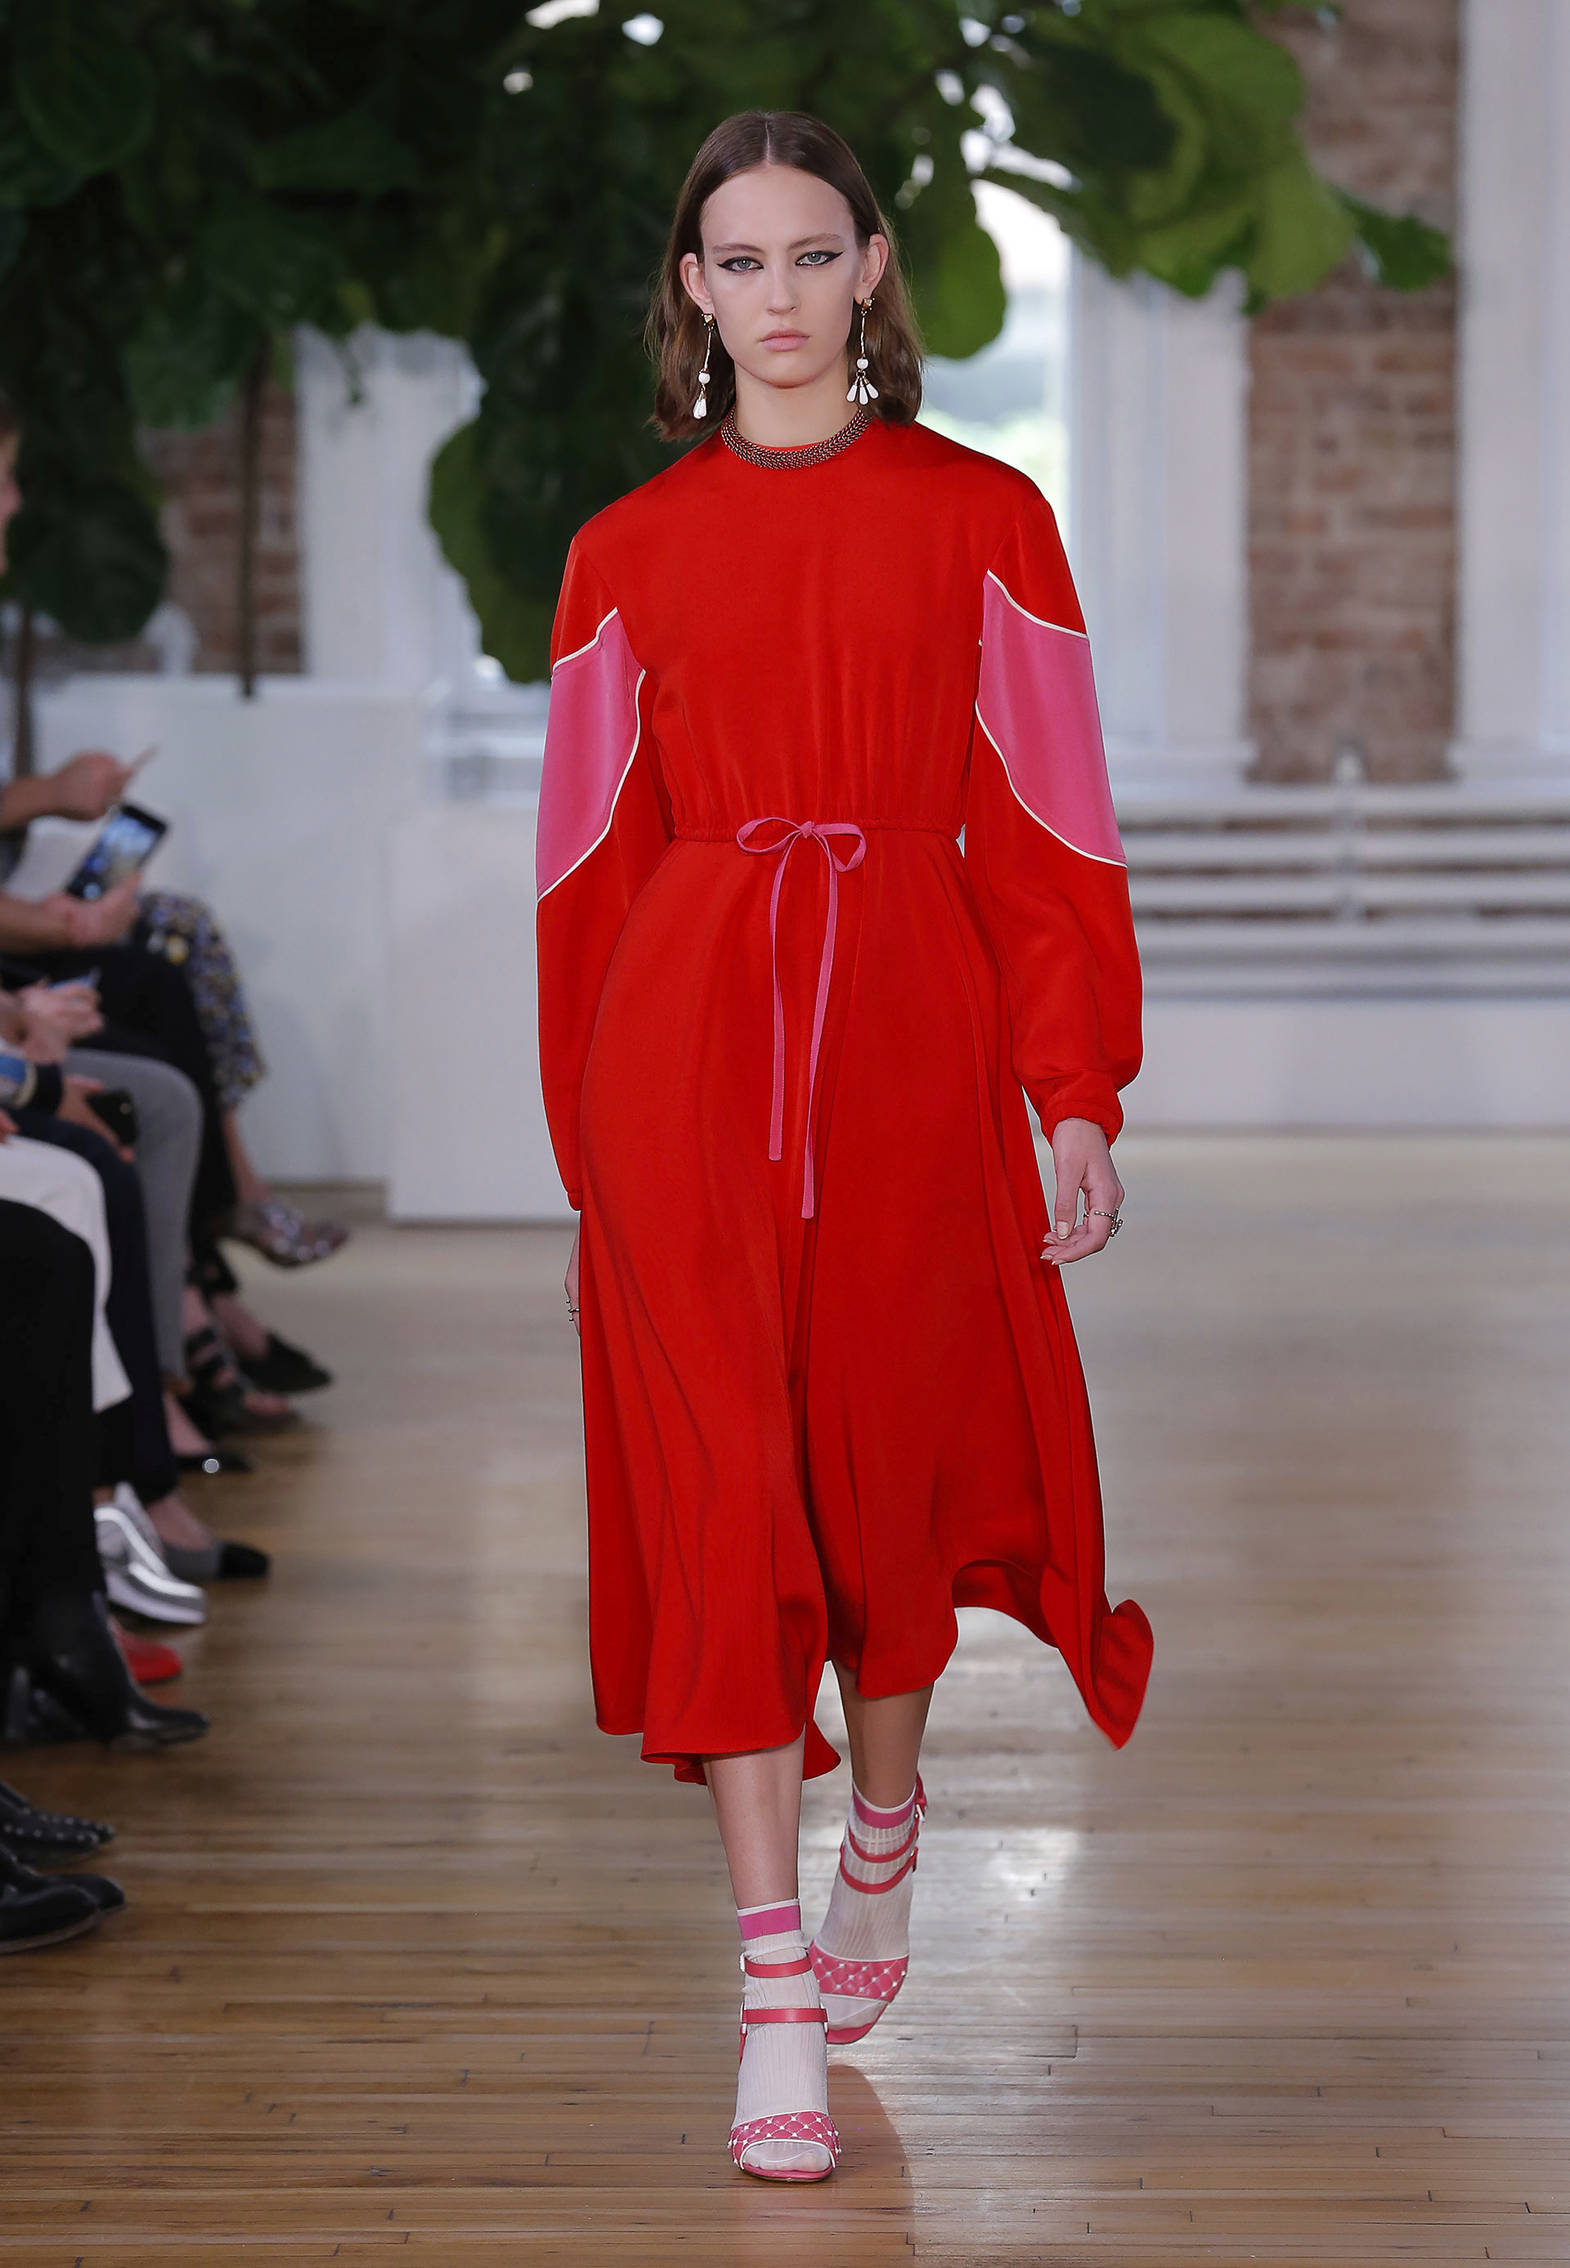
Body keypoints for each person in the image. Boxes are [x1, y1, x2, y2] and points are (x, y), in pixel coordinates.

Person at [533, 112, 1152, 2184]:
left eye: (814, 254)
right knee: (727, 1493)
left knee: (880, 1475)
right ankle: (772, 1991)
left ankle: (883, 1817)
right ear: (691, 290)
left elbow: (1051, 827)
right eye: (741, 260)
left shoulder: (985, 518)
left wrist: (1073, 1087)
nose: (779, 295)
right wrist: (589, 1158)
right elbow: (585, 873)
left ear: (872, 268)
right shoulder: (621, 552)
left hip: (904, 1031)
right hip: (681, 1060)